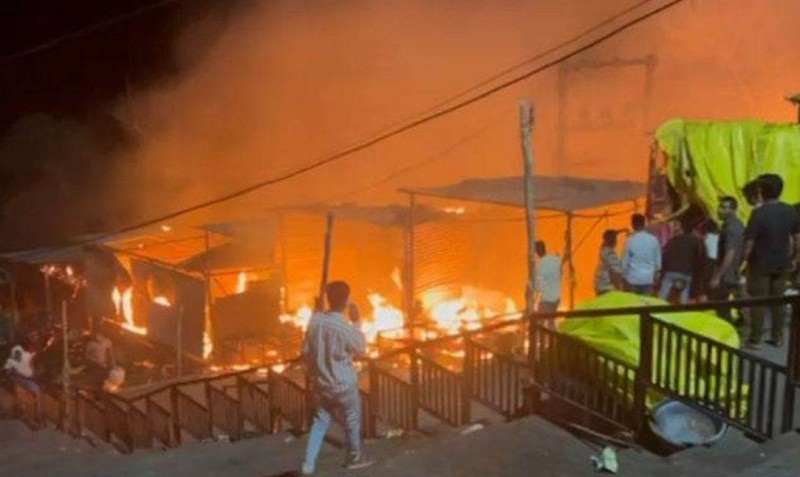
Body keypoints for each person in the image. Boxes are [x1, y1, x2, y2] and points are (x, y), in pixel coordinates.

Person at [301, 281, 372, 475]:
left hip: (321, 383)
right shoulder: (343, 327)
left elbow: (305, 350)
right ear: (346, 300)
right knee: (351, 420)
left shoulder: (315, 322)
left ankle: (308, 464)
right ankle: (354, 458)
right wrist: (357, 322)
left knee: (320, 422)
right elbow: (360, 348)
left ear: (328, 299)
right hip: (344, 383)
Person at [741, 174, 800, 348]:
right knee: (779, 301)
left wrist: (742, 262)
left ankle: (755, 339)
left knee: (758, 301)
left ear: (761, 191)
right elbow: (797, 238)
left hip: (760, 263)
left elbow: (749, 242)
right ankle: (777, 336)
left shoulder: (758, 213)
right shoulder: (791, 211)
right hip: (782, 262)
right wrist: (796, 258)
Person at [710, 196, 746, 323]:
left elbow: (730, 252)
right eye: (720, 207)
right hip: (732, 272)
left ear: (733, 210)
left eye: (724, 207)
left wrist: (718, 276)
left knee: (721, 305)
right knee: (737, 303)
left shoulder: (732, 227)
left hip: (728, 273)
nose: (720, 210)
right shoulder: (732, 225)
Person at [658, 219, 705, 304]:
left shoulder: (673, 240)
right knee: (685, 295)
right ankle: (684, 307)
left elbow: (665, 255)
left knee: (663, 294)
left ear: (682, 229)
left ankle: (658, 306)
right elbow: (699, 259)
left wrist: (663, 270)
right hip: (686, 273)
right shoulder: (696, 242)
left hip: (671, 271)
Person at [621, 213, 662, 295]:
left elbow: (624, 262)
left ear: (633, 225)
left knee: (633, 302)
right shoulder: (653, 240)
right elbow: (658, 263)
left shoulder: (630, 240)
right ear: (644, 224)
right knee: (645, 302)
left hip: (633, 278)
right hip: (648, 279)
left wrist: (624, 277)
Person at [3, 339, 41, 422]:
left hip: (23, 380)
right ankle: (33, 414)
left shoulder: (27, 357)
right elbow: (10, 371)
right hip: (19, 380)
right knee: (34, 391)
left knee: (36, 391)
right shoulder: (21, 357)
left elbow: (31, 372)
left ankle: (36, 414)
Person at [534, 240, 562, 312]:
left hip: (548, 299)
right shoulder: (554, 259)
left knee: (542, 315)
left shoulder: (541, 264)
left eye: (535, 250)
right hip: (556, 298)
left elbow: (538, 286)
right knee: (549, 316)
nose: (535, 253)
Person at [595, 230, 623, 295]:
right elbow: (616, 271)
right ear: (613, 241)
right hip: (607, 287)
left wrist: (621, 231)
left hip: (601, 285)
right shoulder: (610, 253)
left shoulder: (603, 250)